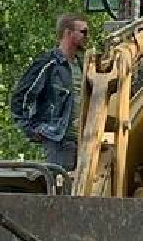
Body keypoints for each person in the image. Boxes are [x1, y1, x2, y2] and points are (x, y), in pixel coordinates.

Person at [8, 14, 88, 171]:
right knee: (61, 188)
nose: (87, 36)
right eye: (83, 31)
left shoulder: (83, 65)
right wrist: (32, 129)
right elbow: (20, 98)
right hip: (58, 141)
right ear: (68, 33)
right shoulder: (48, 64)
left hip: (82, 141)